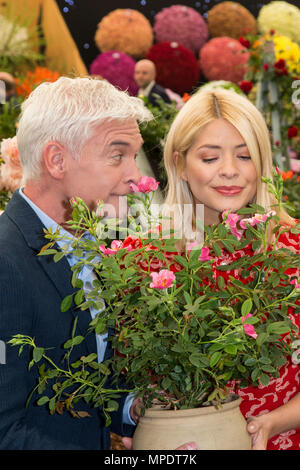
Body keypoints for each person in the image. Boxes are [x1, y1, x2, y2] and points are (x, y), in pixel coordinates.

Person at [0, 76, 152, 450]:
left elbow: (76, 388)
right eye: (117, 155)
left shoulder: (88, 244)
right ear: (57, 160)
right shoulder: (6, 263)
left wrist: (132, 409)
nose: (136, 176)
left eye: (135, 155)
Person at [162, 88, 300, 450]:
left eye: (244, 156)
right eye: (209, 158)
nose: (229, 171)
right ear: (179, 163)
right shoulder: (147, 260)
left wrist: (274, 421)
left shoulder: (293, 252)